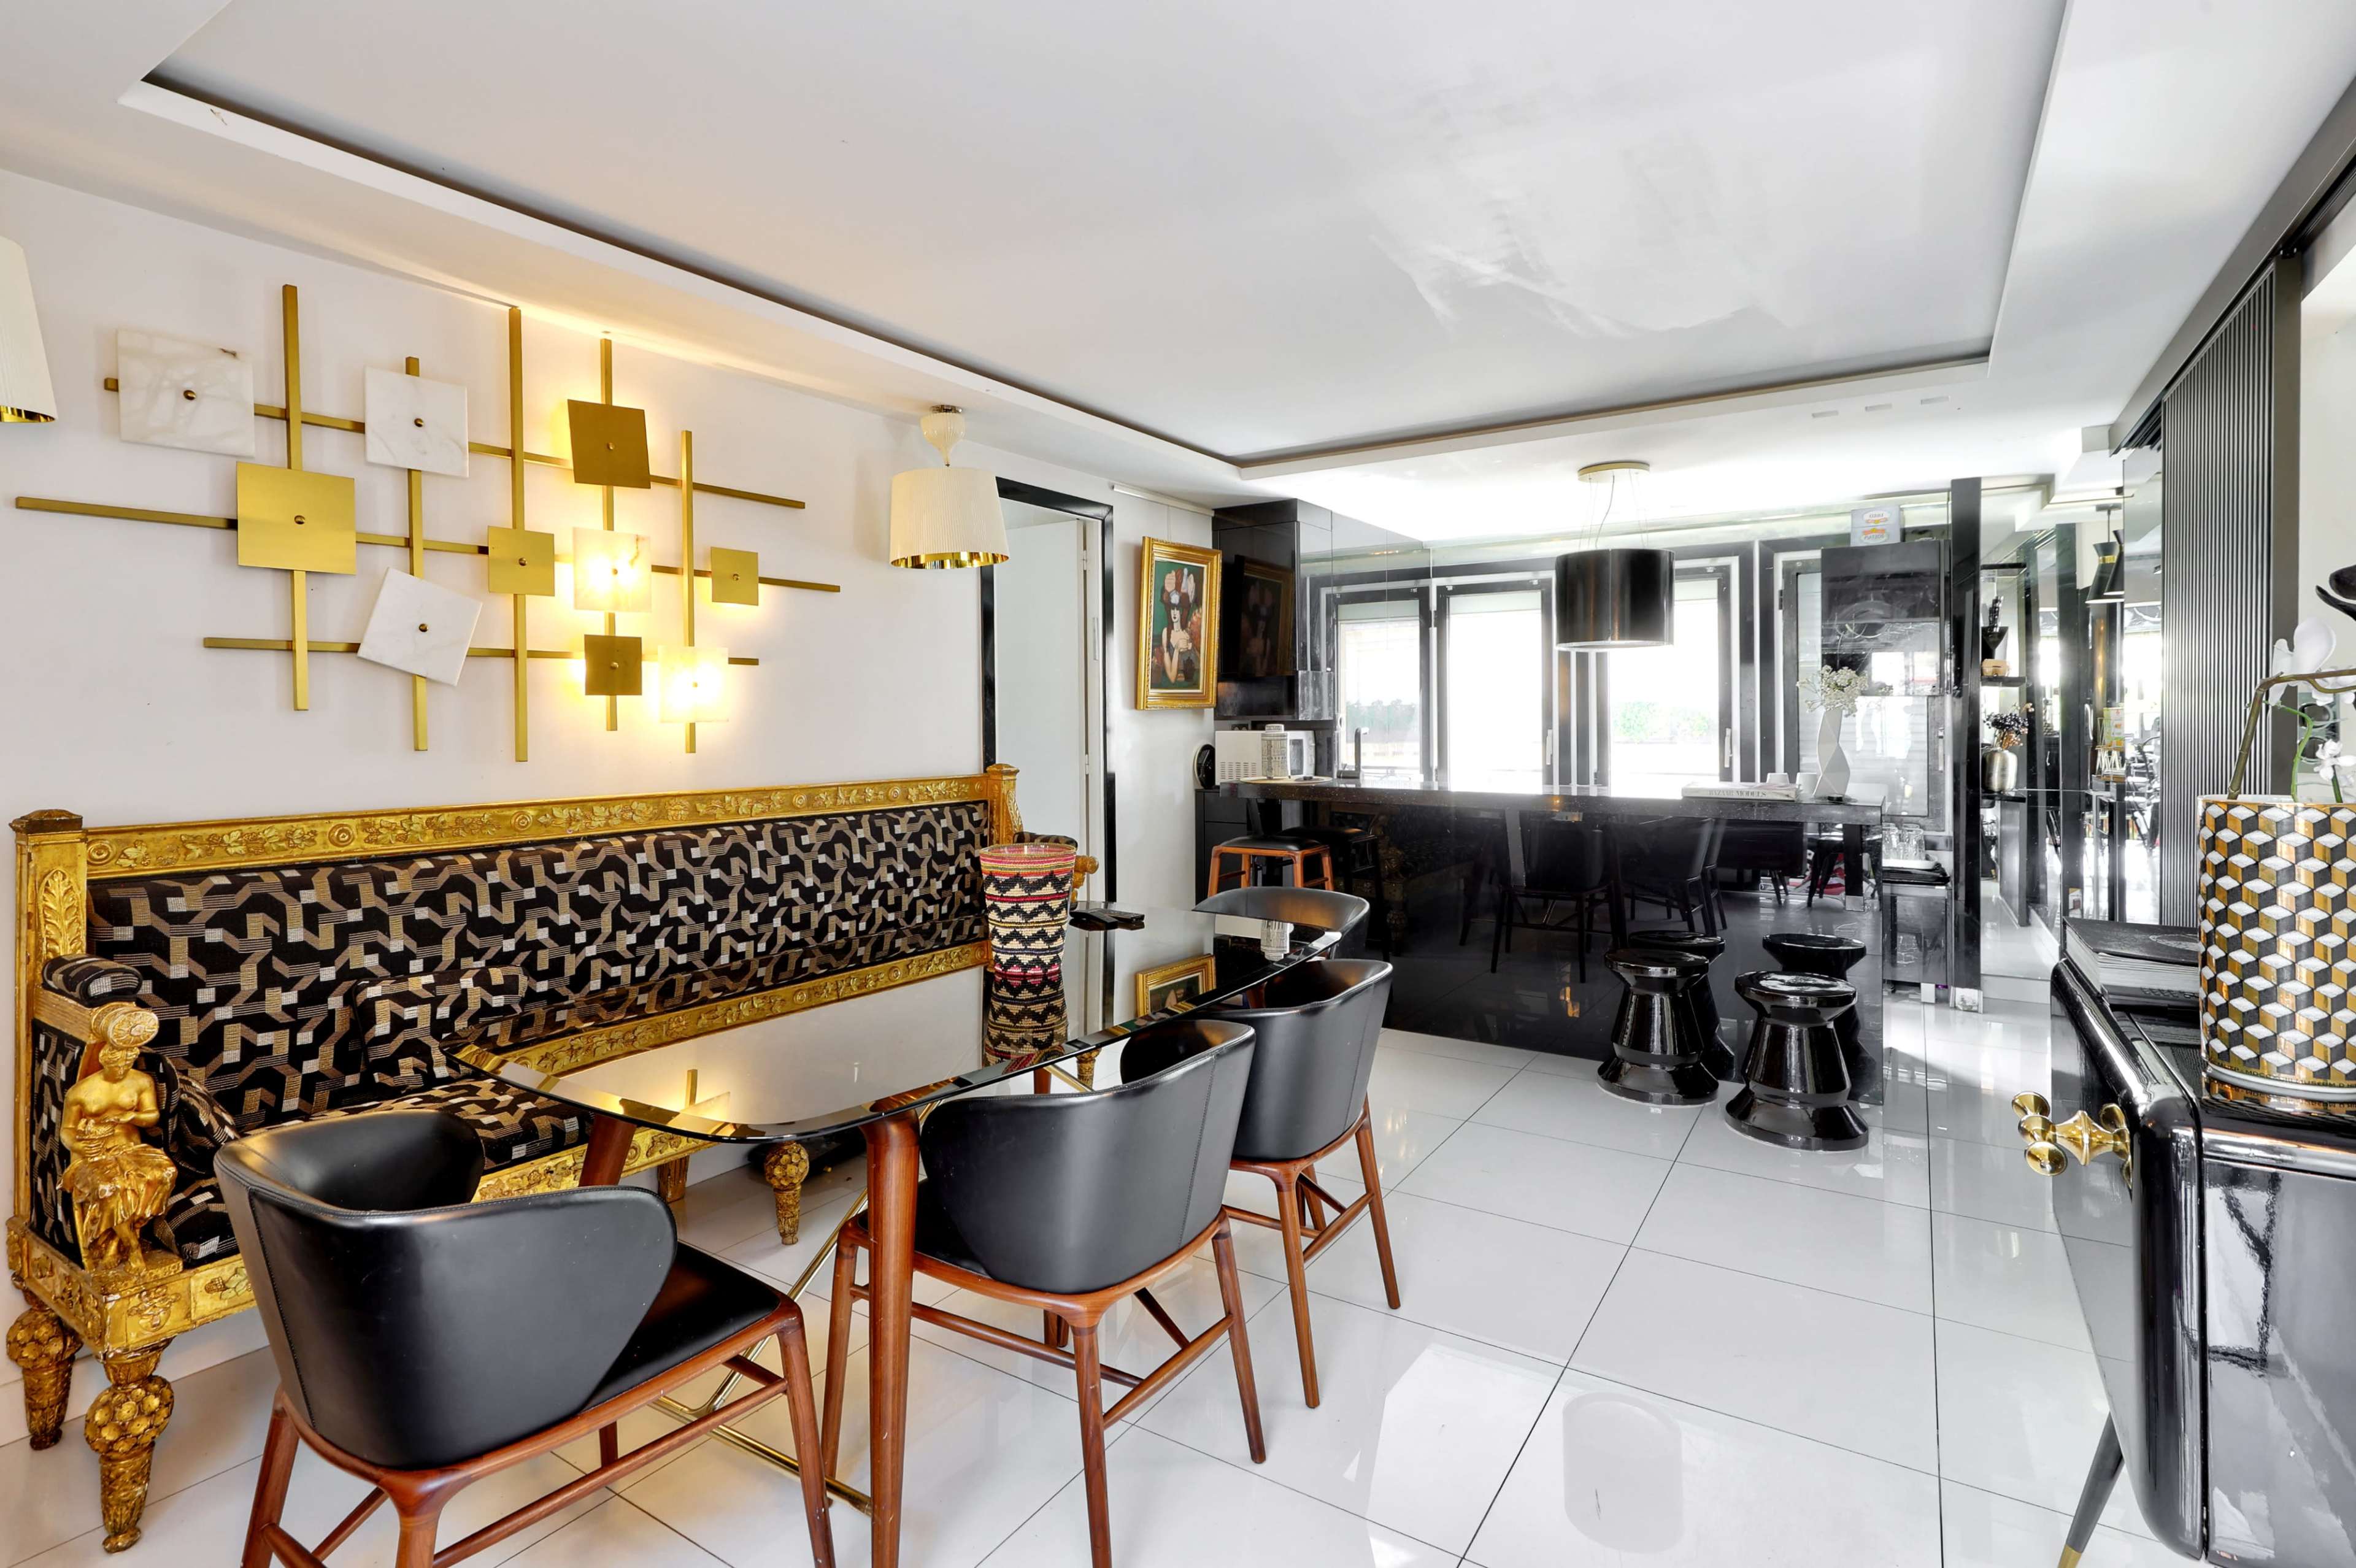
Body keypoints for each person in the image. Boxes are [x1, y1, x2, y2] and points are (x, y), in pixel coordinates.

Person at [59, 1002, 177, 1273]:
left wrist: (131, 1117)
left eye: (128, 1063)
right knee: (112, 1188)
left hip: (130, 1147)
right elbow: (67, 1130)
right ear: (104, 1060)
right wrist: (79, 1147)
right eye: (117, 1065)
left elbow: (152, 1116)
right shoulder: (81, 1091)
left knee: (163, 1173)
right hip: (94, 1151)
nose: (122, 1069)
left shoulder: (141, 1082)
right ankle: (132, 1247)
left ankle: (118, 1241)